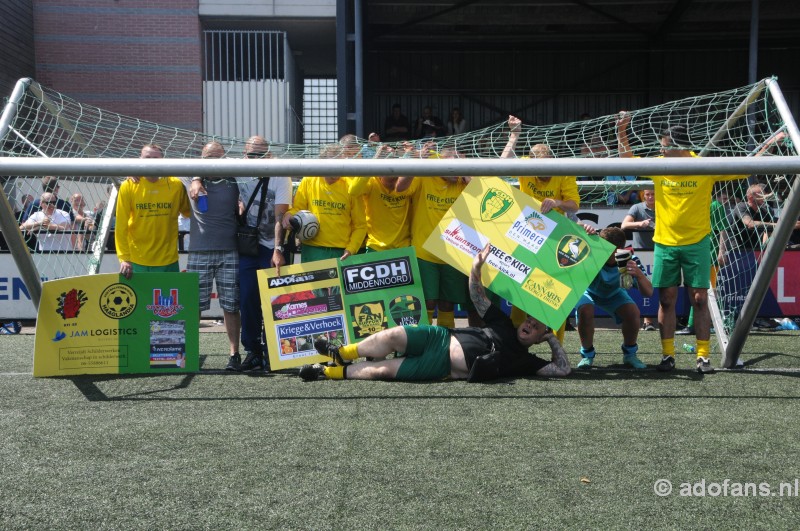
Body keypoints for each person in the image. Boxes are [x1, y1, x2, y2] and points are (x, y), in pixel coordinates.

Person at [616, 113, 768, 373]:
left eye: (665, 146)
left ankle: (703, 356)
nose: (661, 150)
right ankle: (668, 356)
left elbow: (746, 165)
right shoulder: (658, 165)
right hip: (665, 242)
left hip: (697, 242)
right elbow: (626, 161)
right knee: (666, 299)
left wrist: (769, 146)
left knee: (699, 299)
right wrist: (622, 132)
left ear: (679, 146)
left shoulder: (704, 166)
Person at [298, 243, 571, 382]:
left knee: (383, 370)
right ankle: (341, 353)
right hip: (439, 337)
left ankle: (327, 372)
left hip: (442, 367)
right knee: (393, 334)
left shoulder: (528, 361)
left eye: (536, 328)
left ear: (538, 338)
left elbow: (563, 369)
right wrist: (476, 267)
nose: (529, 326)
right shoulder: (503, 323)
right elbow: (478, 295)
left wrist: (550, 339)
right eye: (529, 321)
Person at [501, 115, 580, 336]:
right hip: (527, 234)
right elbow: (500, 163)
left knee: (555, 293)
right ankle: (517, 346)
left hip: (555, 239)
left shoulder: (564, 172)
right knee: (521, 290)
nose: (543, 175)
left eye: (547, 170)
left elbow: (574, 206)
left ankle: (559, 348)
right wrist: (514, 134)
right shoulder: (526, 167)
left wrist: (558, 203)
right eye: (539, 170)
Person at [184, 141, 243, 372]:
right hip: (199, 251)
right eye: (209, 157)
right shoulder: (191, 176)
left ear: (225, 157)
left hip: (230, 250)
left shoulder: (234, 178)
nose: (214, 161)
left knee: (231, 304)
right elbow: (157, 172)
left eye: (218, 157)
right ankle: (190, 352)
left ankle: (234, 354)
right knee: (194, 306)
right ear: (201, 157)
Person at [237, 136, 293, 371]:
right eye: (252, 155)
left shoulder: (281, 174)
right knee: (248, 297)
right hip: (248, 246)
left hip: (272, 246)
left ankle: (274, 350)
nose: (256, 159)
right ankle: (252, 350)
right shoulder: (237, 169)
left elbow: (280, 216)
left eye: (261, 155)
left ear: (269, 155)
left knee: (276, 299)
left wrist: (278, 249)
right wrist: (198, 179)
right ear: (244, 154)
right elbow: (201, 167)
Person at [397, 148, 469, 329]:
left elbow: (481, 193)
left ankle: (447, 345)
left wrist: (466, 171)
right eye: (452, 167)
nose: (457, 172)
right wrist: (418, 159)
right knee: (428, 302)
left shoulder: (462, 182)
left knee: (447, 304)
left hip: (453, 253)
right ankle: (427, 343)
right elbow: (400, 187)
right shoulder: (424, 177)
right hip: (425, 252)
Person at [574, 226, 653, 369]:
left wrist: (639, 275)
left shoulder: (629, 260)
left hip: (613, 293)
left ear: (619, 250)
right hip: (589, 291)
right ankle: (587, 355)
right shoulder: (589, 252)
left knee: (633, 312)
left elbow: (648, 292)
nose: (603, 252)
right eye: (601, 247)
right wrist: (581, 230)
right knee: (585, 309)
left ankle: (629, 354)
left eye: (608, 250)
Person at [114, 144, 192, 279]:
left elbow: (188, 212)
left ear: (163, 160)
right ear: (140, 159)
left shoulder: (175, 185)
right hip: (137, 260)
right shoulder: (129, 185)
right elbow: (121, 226)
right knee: (141, 300)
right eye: (147, 157)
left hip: (169, 260)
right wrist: (124, 258)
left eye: (155, 158)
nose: (151, 161)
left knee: (166, 300)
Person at [282, 174, 366, 263]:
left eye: (339, 159)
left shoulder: (352, 186)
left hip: (341, 253)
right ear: (322, 159)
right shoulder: (309, 180)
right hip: (312, 250)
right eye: (332, 159)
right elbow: (298, 208)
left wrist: (351, 249)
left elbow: (360, 225)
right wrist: (289, 214)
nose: (335, 161)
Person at [621, 187, 657, 331]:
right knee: (643, 284)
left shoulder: (663, 207)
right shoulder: (637, 208)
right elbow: (624, 225)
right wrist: (640, 224)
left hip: (661, 250)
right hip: (641, 253)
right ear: (643, 195)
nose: (650, 197)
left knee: (661, 286)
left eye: (653, 194)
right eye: (647, 194)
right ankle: (647, 321)